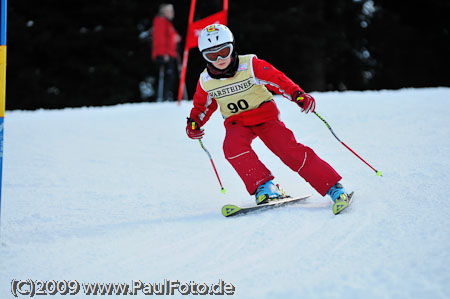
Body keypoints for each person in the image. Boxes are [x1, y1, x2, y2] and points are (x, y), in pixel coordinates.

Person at [185, 24, 353, 215]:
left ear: (232, 47)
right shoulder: (206, 80)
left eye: (224, 51)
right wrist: (194, 123)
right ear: (204, 56)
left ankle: (333, 187)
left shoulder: (249, 65)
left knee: (288, 151)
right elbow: (202, 106)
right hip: (236, 122)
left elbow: (277, 79)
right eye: (212, 56)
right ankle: (264, 187)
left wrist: (297, 95)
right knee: (232, 148)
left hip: (264, 116)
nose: (220, 59)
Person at [152, 3, 181, 101]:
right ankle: (163, 97)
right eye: (169, 11)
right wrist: (163, 53)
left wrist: (176, 38)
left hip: (170, 54)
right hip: (164, 54)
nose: (172, 13)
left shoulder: (167, 23)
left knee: (170, 77)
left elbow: (172, 36)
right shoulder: (161, 21)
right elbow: (160, 39)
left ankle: (166, 96)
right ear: (164, 12)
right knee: (166, 76)